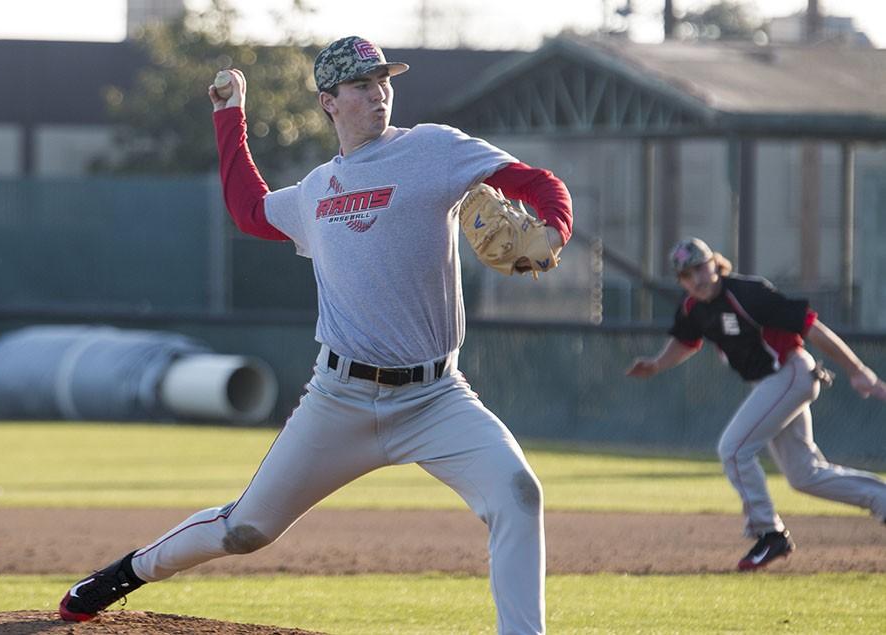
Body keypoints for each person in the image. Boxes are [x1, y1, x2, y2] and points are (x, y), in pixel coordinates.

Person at [58, 36, 572, 634]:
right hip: (341, 399)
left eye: (383, 80)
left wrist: (555, 228)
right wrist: (230, 116)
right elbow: (249, 210)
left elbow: (534, 181)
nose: (378, 92)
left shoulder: (434, 149)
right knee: (244, 529)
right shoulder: (316, 191)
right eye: (361, 84)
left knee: (518, 494)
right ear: (329, 102)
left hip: (437, 398)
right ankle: (127, 573)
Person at [626, 237, 886, 571]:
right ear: (681, 282)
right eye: (686, 275)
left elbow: (812, 327)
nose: (696, 279)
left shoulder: (747, 294)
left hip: (790, 372)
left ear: (715, 264)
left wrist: (858, 370)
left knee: (733, 450)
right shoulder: (694, 306)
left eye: (700, 268)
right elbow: (685, 340)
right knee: (804, 475)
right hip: (772, 383)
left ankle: (769, 533)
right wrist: (658, 364)